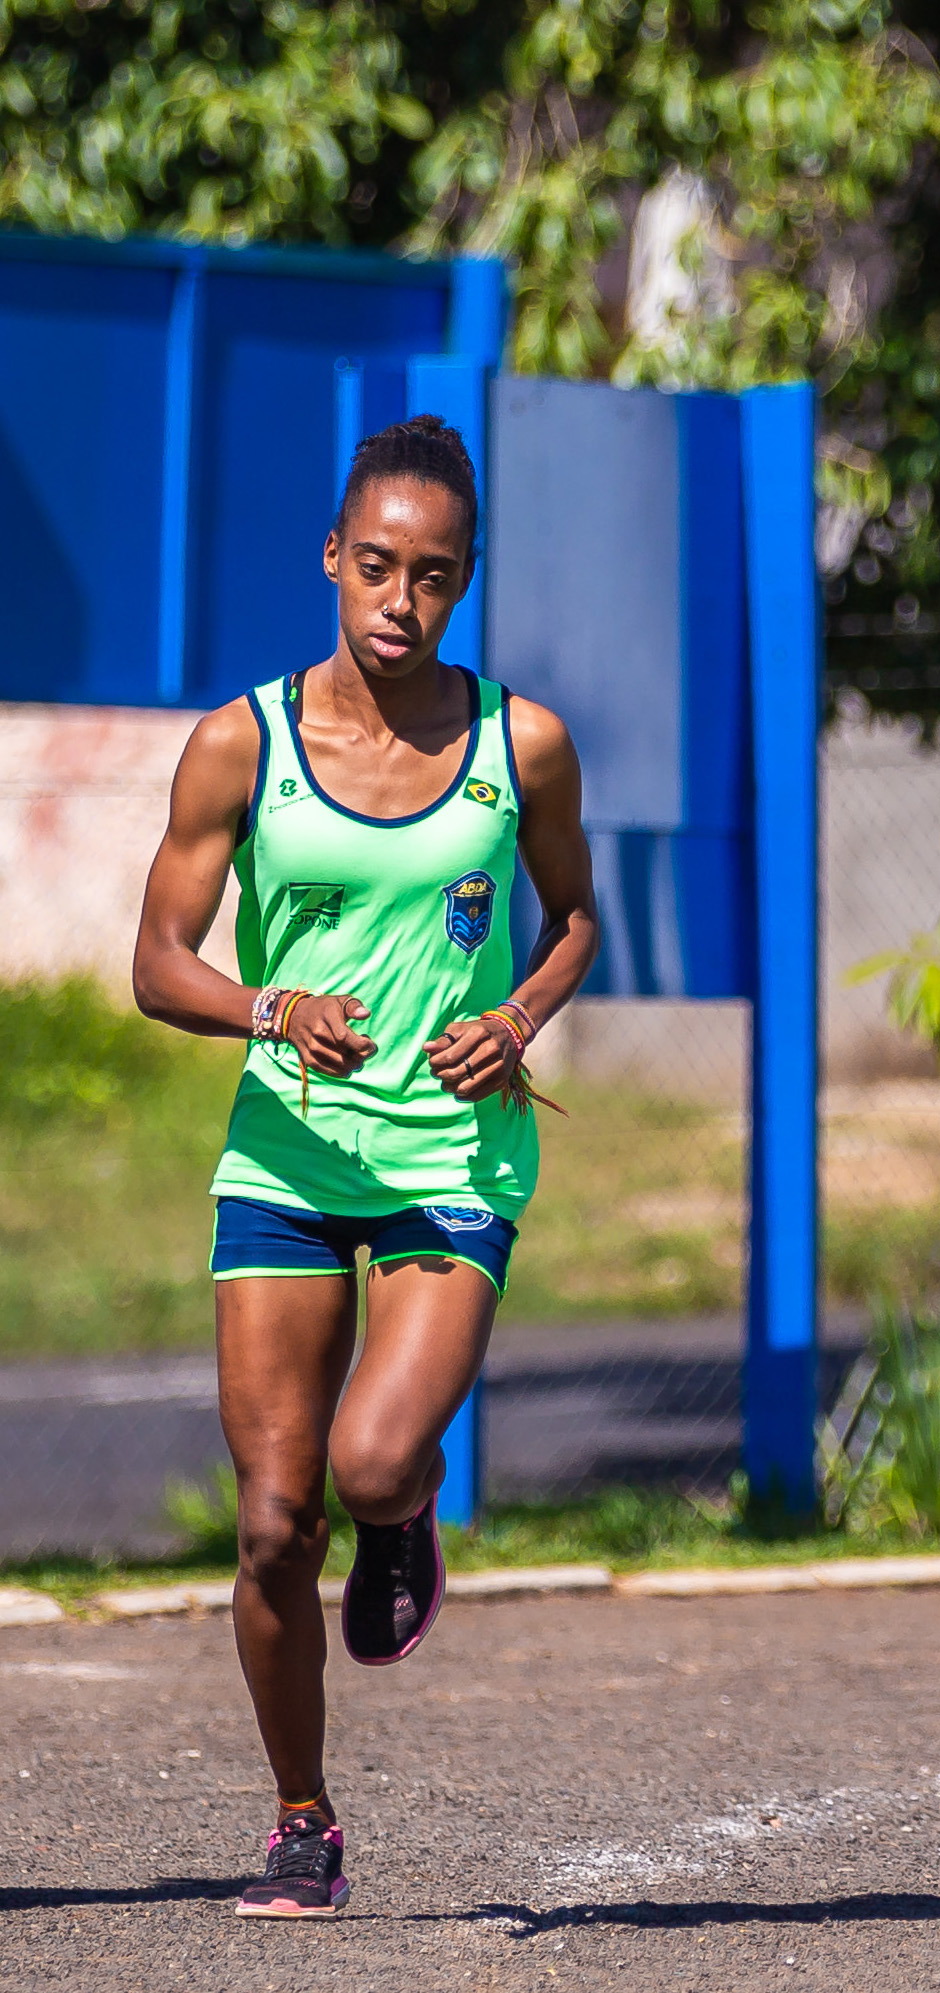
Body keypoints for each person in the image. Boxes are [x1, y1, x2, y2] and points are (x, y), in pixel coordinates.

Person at [132, 415, 598, 1918]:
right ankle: (301, 1816)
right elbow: (155, 960)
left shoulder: (519, 745)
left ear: (465, 584)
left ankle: (406, 1516)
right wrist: (269, 1006)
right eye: (379, 567)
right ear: (334, 559)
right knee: (273, 1524)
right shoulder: (242, 744)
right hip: (284, 1151)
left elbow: (579, 917)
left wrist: (518, 1009)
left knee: (373, 1460)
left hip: (452, 1151)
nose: (402, 601)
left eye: (436, 577)